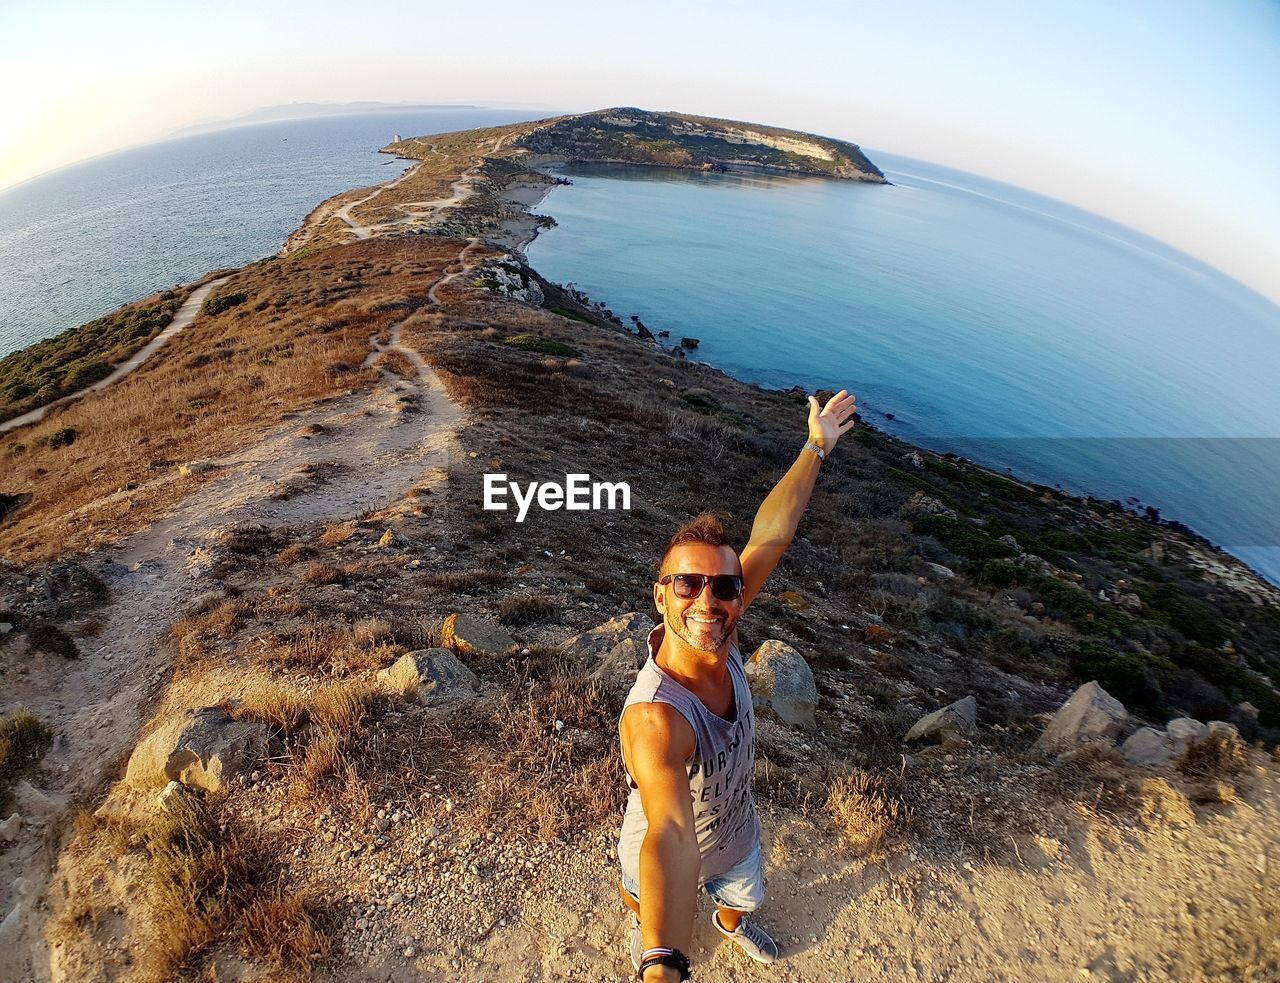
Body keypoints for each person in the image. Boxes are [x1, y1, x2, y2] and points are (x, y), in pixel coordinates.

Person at [617, 388, 859, 981]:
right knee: (646, 903)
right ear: (660, 595)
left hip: (736, 835)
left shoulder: (723, 619)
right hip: (665, 847)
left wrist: (816, 447)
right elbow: (670, 830)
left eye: (725, 587)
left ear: (738, 599)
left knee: (740, 898)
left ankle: (730, 924)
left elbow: (770, 537)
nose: (708, 601)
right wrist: (663, 964)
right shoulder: (655, 717)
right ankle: (652, 934)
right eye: (687, 584)